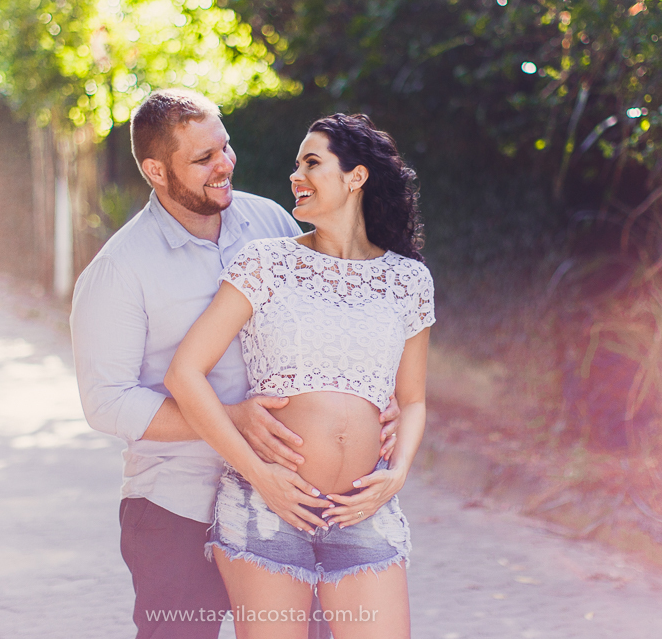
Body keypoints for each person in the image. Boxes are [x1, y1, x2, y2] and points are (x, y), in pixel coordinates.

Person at [71, 91, 398, 639]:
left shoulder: (270, 221)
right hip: (178, 505)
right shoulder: (119, 272)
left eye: (225, 147)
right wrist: (230, 419)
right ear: (155, 170)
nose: (224, 165)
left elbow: (326, 319)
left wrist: (369, 399)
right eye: (203, 159)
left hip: (289, 502)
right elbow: (106, 401)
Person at [164, 113, 434, 639]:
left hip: (364, 509)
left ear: (356, 177)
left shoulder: (408, 280)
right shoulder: (265, 262)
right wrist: (261, 475)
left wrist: (397, 474)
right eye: (295, 164)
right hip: (266, 506)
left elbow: (415, 399)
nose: (296, 175)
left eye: (312, 162)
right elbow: (184, 373)